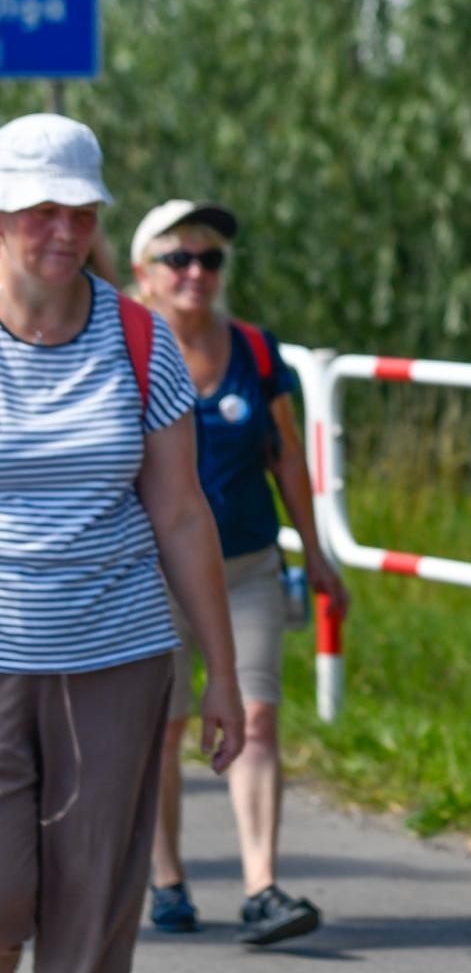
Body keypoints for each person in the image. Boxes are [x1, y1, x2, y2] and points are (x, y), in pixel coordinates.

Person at [0, 115, 245, 973]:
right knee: (2, 896)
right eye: (42, 211)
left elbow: (181, 514)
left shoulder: (140, 339)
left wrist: (223, 672)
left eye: (81, 212)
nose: (65, 231)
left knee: (91, 908)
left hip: (118, 657)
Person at [130, 200, 348, 945]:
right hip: (151, 570)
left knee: (256, 716)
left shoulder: (254, 348)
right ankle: (166, 880)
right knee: (162, 726)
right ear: (144, 273)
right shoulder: (126, 348)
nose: (197, 272)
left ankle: (261, 886)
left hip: (247, 567)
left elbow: (285, 455)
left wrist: (316, 553)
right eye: (179, 259)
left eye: (211, 259)